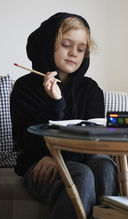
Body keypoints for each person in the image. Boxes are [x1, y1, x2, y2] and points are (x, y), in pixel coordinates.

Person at [11, 12, 118, 219]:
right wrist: (55, 103)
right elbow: (28, 142)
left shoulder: (91, 89)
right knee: (81, 173)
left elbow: (93, 140)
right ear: (48, 43)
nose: (74, 53)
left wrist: (57, 156)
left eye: (81, 49)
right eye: (66, 45)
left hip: (75, 158)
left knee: (104, 165)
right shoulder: (25, 87)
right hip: (38, 164)